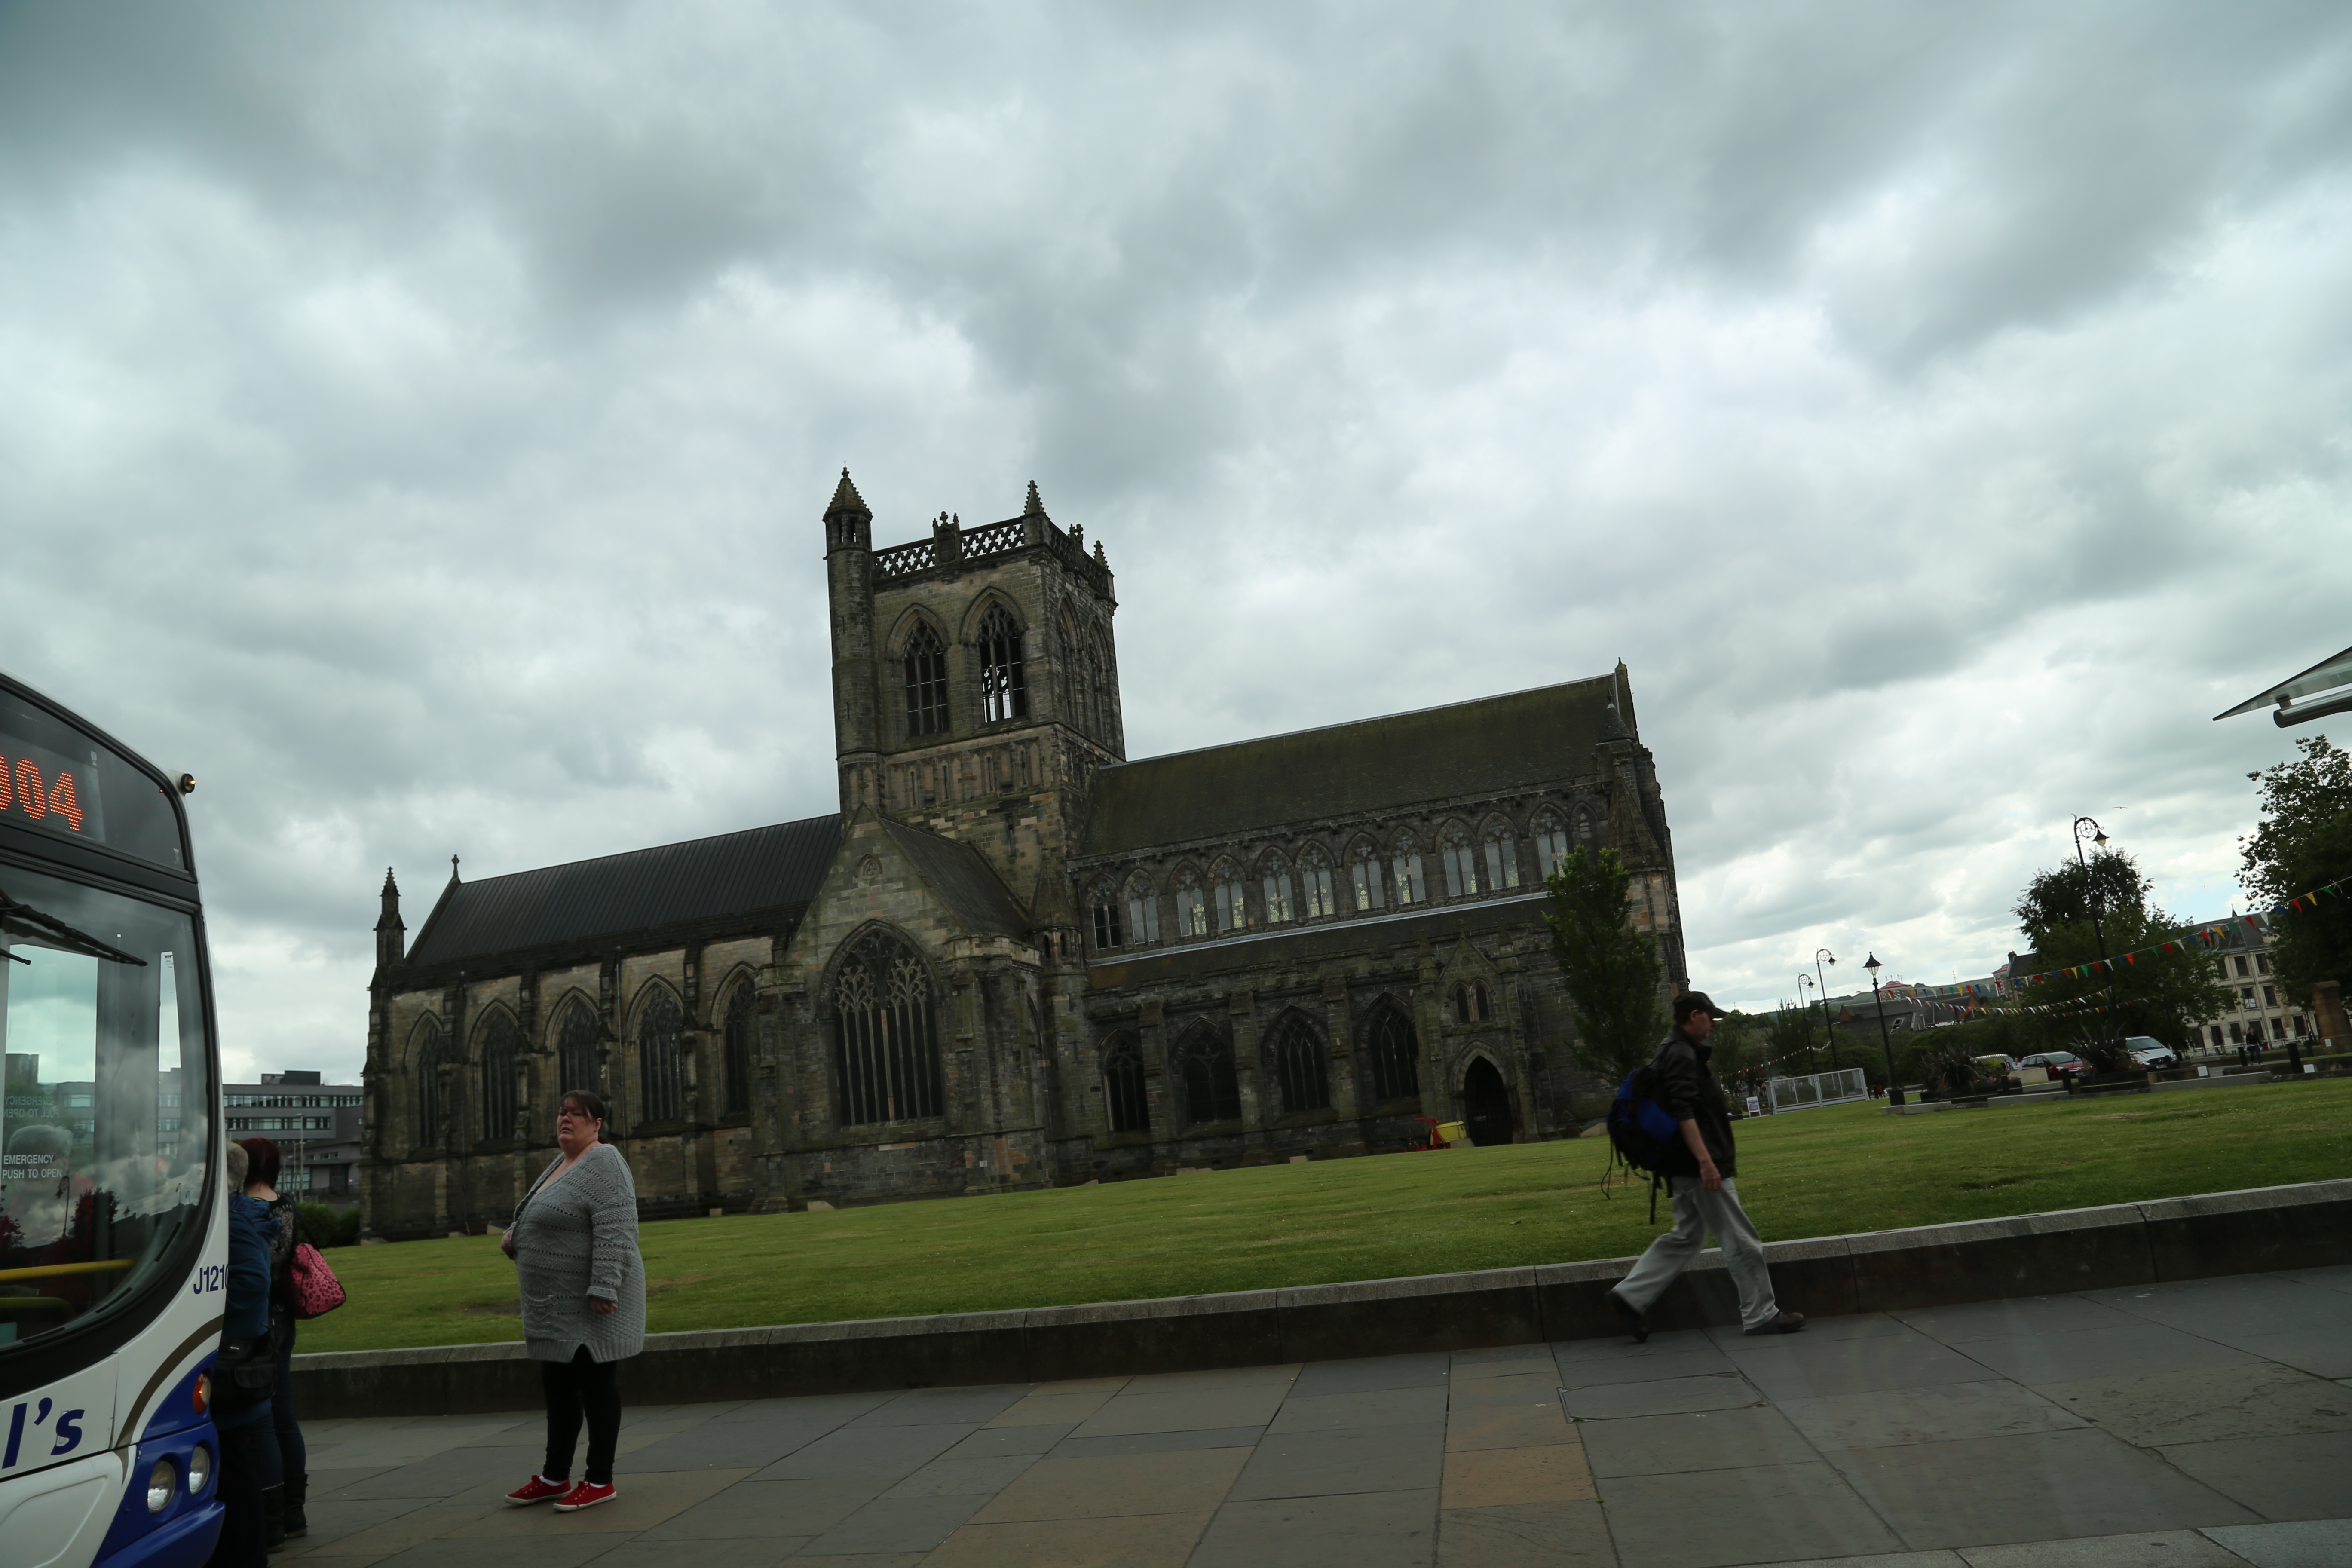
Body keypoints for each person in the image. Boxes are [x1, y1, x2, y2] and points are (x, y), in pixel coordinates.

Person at [1607, 991, 1806, 1342]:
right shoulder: (1682, 1053)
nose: (1713, 1024)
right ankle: (1761, 1314)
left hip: (1680, 1165)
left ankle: (1629, 1296)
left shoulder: (1672, 1050)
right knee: (1742, 1240)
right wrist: (1706, 1162)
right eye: (1710, 1017)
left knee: (1687, 1236)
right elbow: (1684, 1111)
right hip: (1699, 1166)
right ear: (1693, 1015)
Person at [500, 1090, 645, 1514]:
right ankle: (554, 1477)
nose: (566, 1120)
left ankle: (600, 1479)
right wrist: (516, 1236)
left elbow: (617, 1225)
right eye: (562, 1113)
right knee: (559, 1389)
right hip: (555, 1308)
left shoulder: (604, 1160)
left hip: (592, 1303)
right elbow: (537, 1212)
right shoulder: (562, 1162)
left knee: (596, 1385)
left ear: (597, 1123)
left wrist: (605, 1286)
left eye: (577, 1115)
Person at [210, 1140, 279, 1568]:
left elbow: (252, 1284)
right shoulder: (235, 1216)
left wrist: (203, 1313)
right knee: (233, 1466)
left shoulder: (234, 1220)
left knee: (233, 1469)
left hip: (231, 1362)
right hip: (235, 1360)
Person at [237, 1138, 307, 1544]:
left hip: (254, 1322)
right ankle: (294, 1508)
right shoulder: (287, 1205)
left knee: (259, 1420)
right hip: (284, 1317)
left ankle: (270, 1515)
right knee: (285, 1415)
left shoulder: (243, 1210)